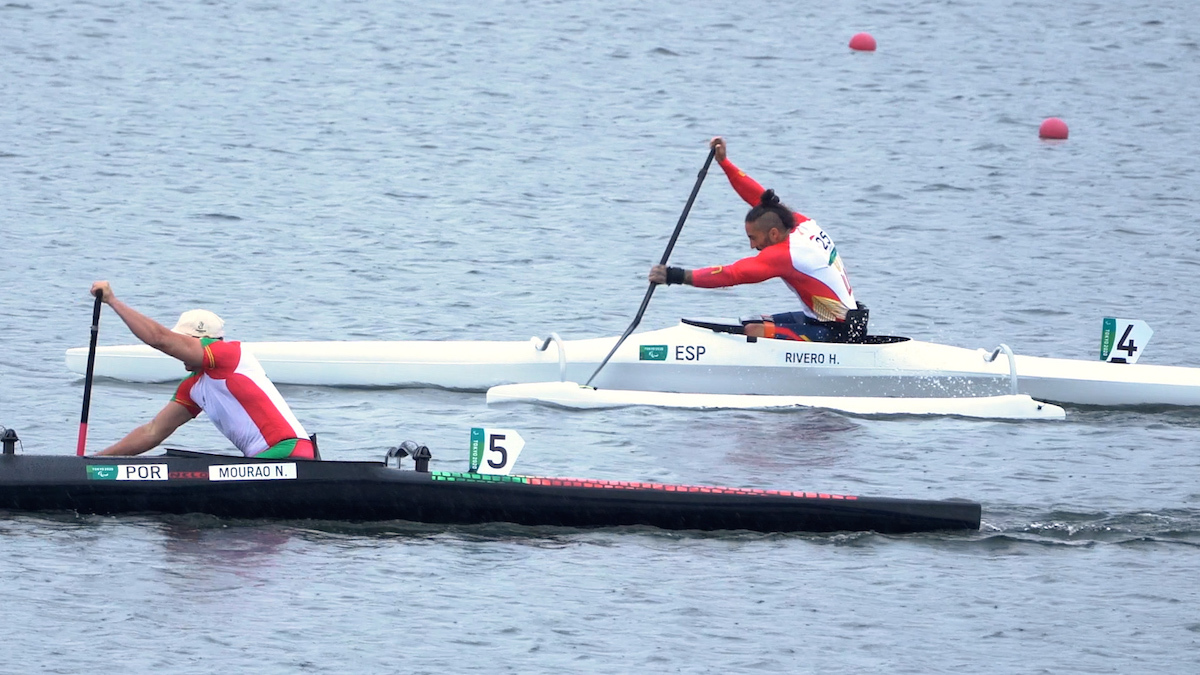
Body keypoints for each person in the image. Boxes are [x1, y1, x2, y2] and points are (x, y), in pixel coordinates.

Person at [650, 137, 860, 342]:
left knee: (753, 330)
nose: (752, 246)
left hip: (837, 335)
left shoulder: (785, 255)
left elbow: (731, 274)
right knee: (749, 321)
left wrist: (673, 275)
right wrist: (724, 162)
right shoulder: (800, 223)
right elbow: (760, 198)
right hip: (834, 321)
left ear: (773, 234)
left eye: (753, 238)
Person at [89, 281, 315, 459]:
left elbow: (159, 339)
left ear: (204, 342)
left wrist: (113, 301)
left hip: (288, 452)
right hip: (263, 462)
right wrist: (93, 462)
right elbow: (152, 432)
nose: (178, 352)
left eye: (184, 342)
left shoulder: (229, 354)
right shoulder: (193, 386)